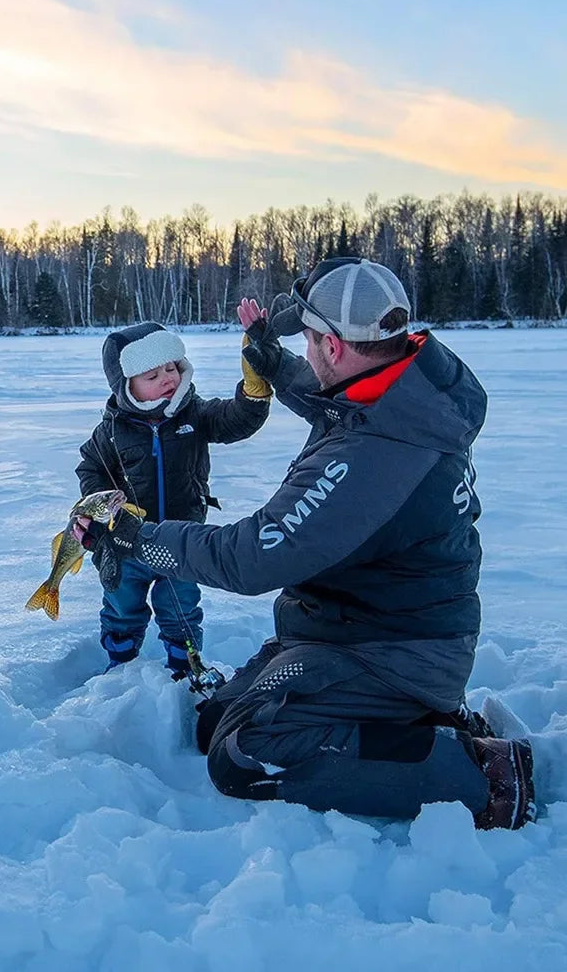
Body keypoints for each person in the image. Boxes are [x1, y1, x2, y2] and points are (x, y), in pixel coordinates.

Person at [76, 258, 534, 830]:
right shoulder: (403, 393)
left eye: (311, 339)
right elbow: (325, 394)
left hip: (392, 652)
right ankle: (409, 723)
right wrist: (272, 361)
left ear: (335, 346)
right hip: (345, 628)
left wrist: (135, 538)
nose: (308, 351)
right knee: (213, 718)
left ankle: (478, 774)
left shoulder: (370, 456)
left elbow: (249, 559)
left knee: (244, 756)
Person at [75, 321, 273, 678]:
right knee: (121, 605)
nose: (168, 378)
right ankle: (120, 666)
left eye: (171, 367)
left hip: (182, 542)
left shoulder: (194, 414)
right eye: (152, 375)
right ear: (126, 385)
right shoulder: (112, 431)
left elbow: (237, 420)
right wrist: (98, 507)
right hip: (126, 543)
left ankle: (186, 667)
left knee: (181, 607)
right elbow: (91, 468)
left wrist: (254, 391)